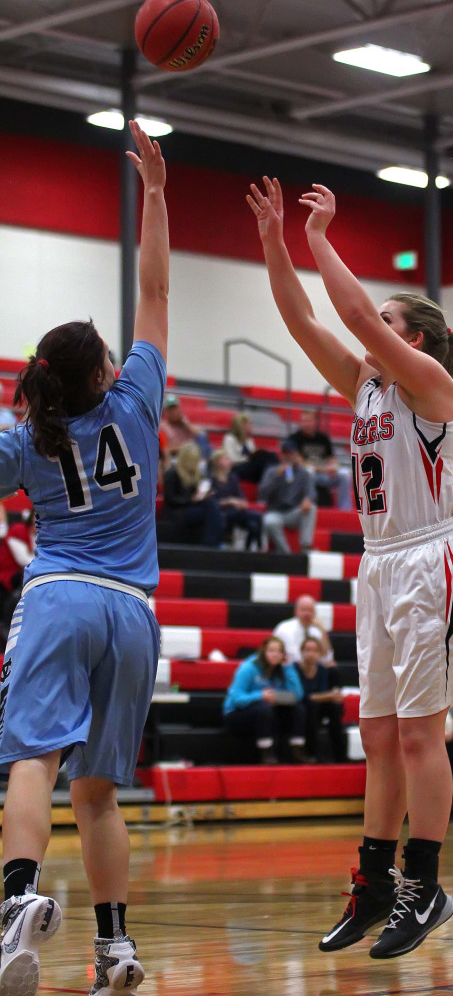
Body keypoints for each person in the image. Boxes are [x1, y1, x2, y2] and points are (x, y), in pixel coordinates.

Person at [247, 176, 453, 959]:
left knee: (421, 736)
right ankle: (375, 880)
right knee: (377, 738)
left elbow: (349, 312)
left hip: (431, 560)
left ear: (412, 338)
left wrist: (321, 238)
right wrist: (273, 239)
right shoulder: (362, 385)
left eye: (387, 322)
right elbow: (302, 316)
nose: (369, 330)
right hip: (380, 564)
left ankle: (425, 885)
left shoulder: (431, 386)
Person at [0, 121, 167, 996]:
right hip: (134, 613)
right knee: (98, 793)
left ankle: (17, 902)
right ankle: (116, 949)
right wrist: (158, 196)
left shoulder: (23, 436)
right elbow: (155, 288)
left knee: (31, 759)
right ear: (107, 372)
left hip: (61, 591)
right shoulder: (137, 400)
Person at [222, 636, 308, 764]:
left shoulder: (283, 669)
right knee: (264, 709)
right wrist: (261, 696)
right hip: (237, 713)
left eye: (279, 651)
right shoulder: (249, 668)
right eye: (271, 651)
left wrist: (288, 668)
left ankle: (297, 750)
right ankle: (267, 754)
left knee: (298, 708)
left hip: (267, 711)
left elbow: (297, 695)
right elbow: (237, 699)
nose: (275, 654)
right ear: (263, 652)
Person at [258, 439, 317, 553]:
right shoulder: (272, 471)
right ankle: (285, 552)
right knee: (269, 521)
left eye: (291, 453)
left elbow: (311, 492)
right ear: (281, 455)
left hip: (294, 511)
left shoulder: (303, 473)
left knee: (312, 508)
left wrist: (307, 499)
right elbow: (262, 494)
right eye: (285, 453)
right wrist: (276, 476)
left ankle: (305, 546)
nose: (288, 457)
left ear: (296, 455)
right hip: (275, 511)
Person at [161, 441, 224, 547]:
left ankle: (211, 543)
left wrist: (203, 495)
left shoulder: (196, 474)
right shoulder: (172, 473)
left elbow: (197, 494)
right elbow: (170, 498)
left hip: (192, 507)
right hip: (176, 511)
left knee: (211, 503)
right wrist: (191, 499)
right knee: (210, 511)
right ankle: (211, 544)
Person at [295, 636, 346, 762]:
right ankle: (313, 754)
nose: (311, 654)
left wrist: (333, 696)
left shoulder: (322, 670)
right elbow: (300, 695)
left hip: (317, 705)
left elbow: (321, 692)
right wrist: (329, 696)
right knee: (312, 707)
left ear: (319, 653)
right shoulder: (295, 669)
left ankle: (339, 755)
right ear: (301, 652)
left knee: (335, 708)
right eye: (307, 650)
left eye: (314, 650)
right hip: (299, 708)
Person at [289, 409, 352, 510]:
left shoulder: (323, 438)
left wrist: (333, 468)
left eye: (309, 421)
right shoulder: (294, 439)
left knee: (344, 474)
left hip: (323, 474)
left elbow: (332, 459)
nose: (307, 424)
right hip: (306, 475)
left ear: (315, 422)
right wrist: (324, 469)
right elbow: (301, 464)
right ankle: (311, 503)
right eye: (304, 421)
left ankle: (345, 509)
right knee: (309, 472)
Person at [208, 449, 263, 550]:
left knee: (254, 523)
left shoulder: (232, 477)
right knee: (255, 518)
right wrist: (229, 501)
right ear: (217, 462)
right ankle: (258, 548)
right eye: (225, 459)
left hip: (235, 511)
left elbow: (241, 496)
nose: (229, 461)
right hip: (220, 513)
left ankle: (250, 549)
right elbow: (211, 502)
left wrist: (242, 503)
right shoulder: (211, 479)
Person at [273, 594, 334, 666]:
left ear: (315, 613)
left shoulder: (317, 631)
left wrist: (322, 630)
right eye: (303, 610)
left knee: (332, 666)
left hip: (312, 669)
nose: (307, 614)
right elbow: (293, 657)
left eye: (310, 610)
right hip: (291, 668)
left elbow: (327, 658)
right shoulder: (284, 629)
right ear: (296, 612)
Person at [222, 411, 278, 484]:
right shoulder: (230, 439)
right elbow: (232, 460)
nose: (250, 426)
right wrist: (249, 459)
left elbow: (253, 454)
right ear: (240, 426)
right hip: (237, 468)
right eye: (248, 424)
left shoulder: (249, 440)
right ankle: (272, 480)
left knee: (270, 455)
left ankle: (274, 478)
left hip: (249, 467)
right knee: (263, 460)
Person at [160, 393, 211, 460]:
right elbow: (165, 450)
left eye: (175, 409)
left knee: (202, 438)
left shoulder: (185, 423)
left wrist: (186, 424)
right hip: (175, 457)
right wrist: (183, 448)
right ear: (165, 412)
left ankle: (204, 463)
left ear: (179, 409)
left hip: (192, 454)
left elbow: (201, 435)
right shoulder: (163, 427)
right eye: (170, 410)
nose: (173, 412)